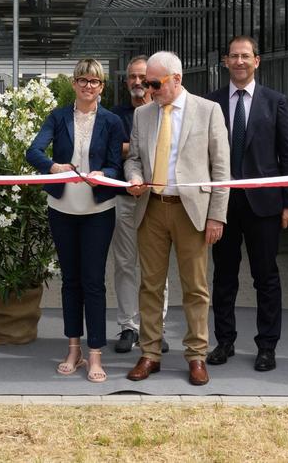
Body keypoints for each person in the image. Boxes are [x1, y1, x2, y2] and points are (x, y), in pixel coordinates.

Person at [123, 51, 229, 386]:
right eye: (144, 83)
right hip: (152, 208)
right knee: (150, 285)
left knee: (195, 288)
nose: (147, 89)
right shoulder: (142, 115)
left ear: (177, 79)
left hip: (192, 211)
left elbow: (221, 169)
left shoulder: (208, 111)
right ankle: (150, 353)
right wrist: (135, 176)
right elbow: (134, 159)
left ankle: (196, 355)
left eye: (154, 83)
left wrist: (217, 216)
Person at [26, 59, 127, 382]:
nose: (88, 86)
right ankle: (73, 348)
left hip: (98, 211)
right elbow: (33, 151)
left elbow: (116, 165)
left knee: (93, 282)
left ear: (102, 87)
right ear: (73, 84)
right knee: (70, 282)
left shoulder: (111, 121)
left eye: (94, 81)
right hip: (62, 209)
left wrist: (104, 175)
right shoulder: (57, 117)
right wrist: (53, 167)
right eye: (82, 80)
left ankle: (95, 353)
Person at [206, 36, 288, 372]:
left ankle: (267, 346)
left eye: (246, 56)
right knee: (224, 277)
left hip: (265, 206)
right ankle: (224, 341)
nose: (240, 61)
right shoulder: (212, 103)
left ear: (257, 61)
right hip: (223, 206)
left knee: (266, 277)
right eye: (234, 56)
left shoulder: (276, 101)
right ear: (225, 61)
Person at [109, 55, 169, 354]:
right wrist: (147, 147)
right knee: (124, 265)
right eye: (132, 77)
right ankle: (129, 326)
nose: (137, 82)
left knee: (156, 267)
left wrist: (129, 148)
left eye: (142, 77)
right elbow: (110, 151)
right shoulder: (115, 116)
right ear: (126, 82)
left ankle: (155, 327)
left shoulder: (164, 111)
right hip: (125, 200)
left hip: (158, 200)